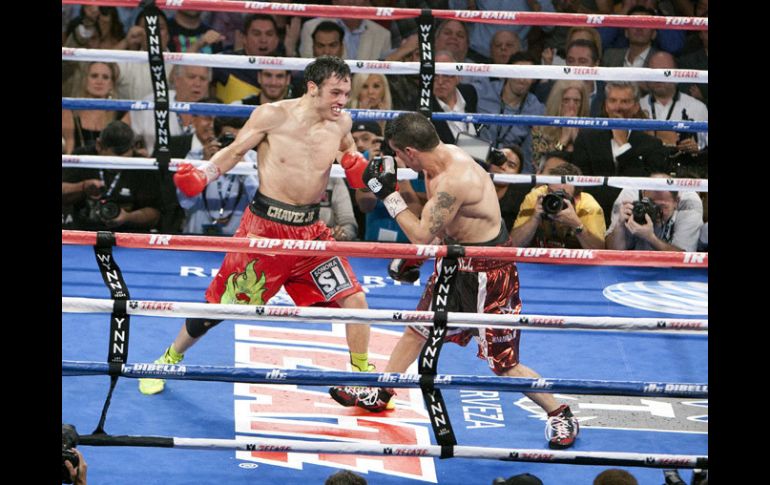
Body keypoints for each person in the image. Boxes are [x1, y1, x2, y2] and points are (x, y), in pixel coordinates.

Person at [329, 112, 580, 450]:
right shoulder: (437, 163)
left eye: (398, 155)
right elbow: (444, 228)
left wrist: (390, 194)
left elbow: (420, 231)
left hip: (488, 273)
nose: (398, 162)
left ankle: (560, 411)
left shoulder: (454, 178)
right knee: (417, 330)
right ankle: (382, 390)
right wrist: (416, 257)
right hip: (455, 261)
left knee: (503, 363)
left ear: (410, 152)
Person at [138, 56, 376, 395]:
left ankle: (362, 381)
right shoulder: (272, 115)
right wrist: (204, 174)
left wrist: (357, 167)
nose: (342, 101)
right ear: (312, 88)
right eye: (335, 93)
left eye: (346, 94)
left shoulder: (341, 122)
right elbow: (235, 152)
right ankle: (168, 357)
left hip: (311, 234)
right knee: (218, 307)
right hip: (265, 231)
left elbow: (349, 154)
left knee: (354, 300)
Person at [571, 81, 667, 225]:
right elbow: (580, 184)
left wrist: (623, 146)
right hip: (592, 216)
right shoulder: (586, 138)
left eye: (625, 101)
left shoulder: (652, 144)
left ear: (636, 106)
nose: (618, 107)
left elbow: (647, 187)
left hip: (636, 219)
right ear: (605, 105)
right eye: (613, 101)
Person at [62, 121, 162, 232]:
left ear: (133, 148)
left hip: (129, 236)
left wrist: (128, 217)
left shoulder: (141, 165)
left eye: (124, 156)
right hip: (84, 232)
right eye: (114, 157)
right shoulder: (82, 158)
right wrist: (82, 187)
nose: (119, 162)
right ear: (99, 146)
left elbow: (155, 213)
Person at [175, 114, 259, 235]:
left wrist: (243, 167)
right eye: (229, 138)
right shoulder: (196, 157)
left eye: (239, 140)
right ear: (216, 136)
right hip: (196, 237)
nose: (234, 145)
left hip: (238, 241)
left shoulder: (252, 158)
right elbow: (185, 203)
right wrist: (204, 167)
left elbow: (258, 203)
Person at [510, 158, 606, 249]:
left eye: (562, 195)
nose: (556, 200)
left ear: (576, 198)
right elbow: (513, 245)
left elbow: (600, 251)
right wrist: (534, 219)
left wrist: (576, 224)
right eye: (551, 192)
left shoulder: (588, 207)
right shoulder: (537, 197)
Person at [477, 52, 545, 174]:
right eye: (518, 72)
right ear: (507, 73)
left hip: (509, 172)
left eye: (529, 75)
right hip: (475, 165)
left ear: (534, 79)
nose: (522, 79)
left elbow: (529, 154)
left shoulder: (537, 109)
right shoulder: (480, 92)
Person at [605, 173, 703, 252]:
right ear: (643, 195)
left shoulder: (690, 203)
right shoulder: (629, 197)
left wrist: (651, 238)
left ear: (676, 202)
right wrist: (619, 226)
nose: (656, 211)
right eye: (651, 204)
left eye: (662, 206)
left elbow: (684, 258)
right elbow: (612, 251)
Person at [62, 62, 125, 154]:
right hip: (78, 165)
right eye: (94, 76)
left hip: (109, 165)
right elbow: (69, 147)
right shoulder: (69, 110)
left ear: (111, 84)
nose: (99, 82)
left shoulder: (121, 113)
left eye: (105, 77)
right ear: (85, 80)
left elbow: (122, 151)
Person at [298, 1, 391, 60]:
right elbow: (307, 70)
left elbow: (383, 78)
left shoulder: (383, 35)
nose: (351, 1)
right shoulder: (311, 27)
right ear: (334, 1)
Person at [531, 80, 590, 161]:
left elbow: (589, 168)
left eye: (576, 101)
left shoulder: (590, 133)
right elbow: (541, 166)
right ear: (557, 102)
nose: (571, 106)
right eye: (566, 101)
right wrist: (563, 141)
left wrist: (577, 141)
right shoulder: (540, 130)